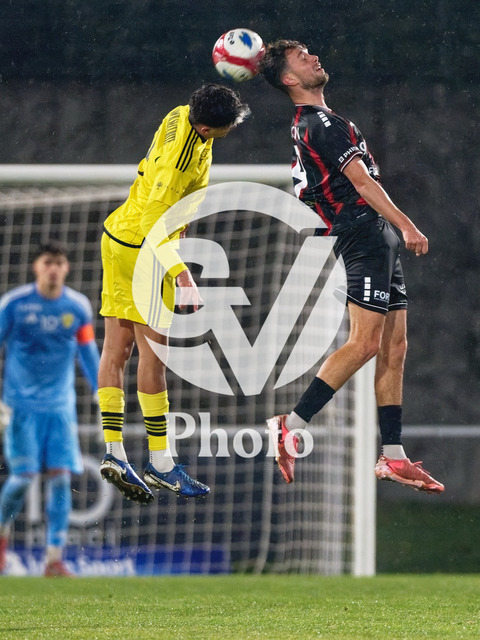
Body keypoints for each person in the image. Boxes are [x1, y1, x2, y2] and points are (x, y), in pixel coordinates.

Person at [260, 40, 444, 493]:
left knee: (395, 346)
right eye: (301, 57)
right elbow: (360, 182)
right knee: (364, 344)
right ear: (289, 79)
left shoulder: (321, 120)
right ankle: (289, 425)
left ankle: (394, 455)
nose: (313, 57)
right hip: (362, 235)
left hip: (373, 236)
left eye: (309, 51)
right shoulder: (318, 123)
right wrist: (406, 225)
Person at [98, 83, 250, 504]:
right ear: (209, 127)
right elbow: (153, 221)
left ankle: (114, 452)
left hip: (118, 237)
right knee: (154, 356)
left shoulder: (181, 114)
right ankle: (160, 462)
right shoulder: (179, 163)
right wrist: (181, 274)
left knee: (116, 349)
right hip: (143, 251)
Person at [0, 240, 100, 576]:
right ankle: (1, 539)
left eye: (59, 263)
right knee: (22, 479)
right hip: (20, 408)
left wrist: (102, 391)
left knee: (61, 478)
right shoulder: (14, 305)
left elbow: (88, 352)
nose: (54, 269)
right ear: (36, 267)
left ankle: (54, 559)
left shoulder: (78, 307)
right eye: (48, 262)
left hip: (60, 408)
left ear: (66, 268)